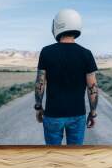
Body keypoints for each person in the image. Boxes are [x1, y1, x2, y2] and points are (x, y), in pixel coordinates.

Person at [34, 8, 99, 145]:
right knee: (74, 159)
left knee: (53, 157)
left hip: (53, 115)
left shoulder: (46, 52)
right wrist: (93, 112)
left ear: (58, 25)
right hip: (77, 115)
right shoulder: (86, 54)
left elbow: (40, 83)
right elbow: (92, 87)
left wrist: (39, 107)